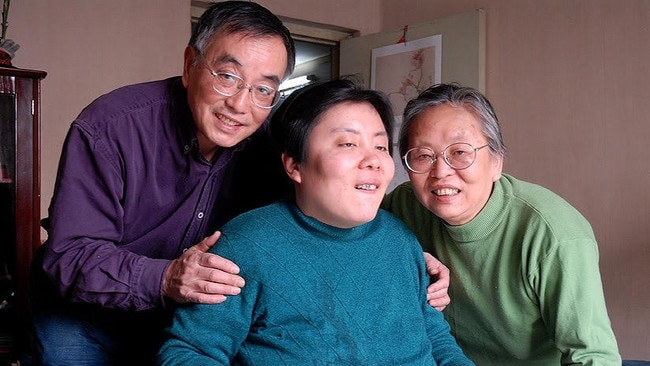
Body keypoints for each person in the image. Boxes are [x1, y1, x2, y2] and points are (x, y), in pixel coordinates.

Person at [29, 2, 296, 365]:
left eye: (263, 90)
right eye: (228, 77)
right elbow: (70, 255)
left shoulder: (271, 148)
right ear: (190, 65)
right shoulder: (110, 127)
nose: (239, 104)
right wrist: (166, 276)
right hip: (82, 314)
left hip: (184, 322)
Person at [157, 78, 475, 366]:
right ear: (295, 165)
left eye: (380, 146)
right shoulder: (245, 246)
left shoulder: (400, 239)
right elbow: (188, 353)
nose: (374, 160)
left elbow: (437, 343)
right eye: (348, 144)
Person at [381, 83, 621, 365]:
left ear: (497, 161)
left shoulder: (551, 232)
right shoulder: (404, 206)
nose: (441, 172)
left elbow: (594, 357)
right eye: (423, 156)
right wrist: (414, 255)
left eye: (459, 152)